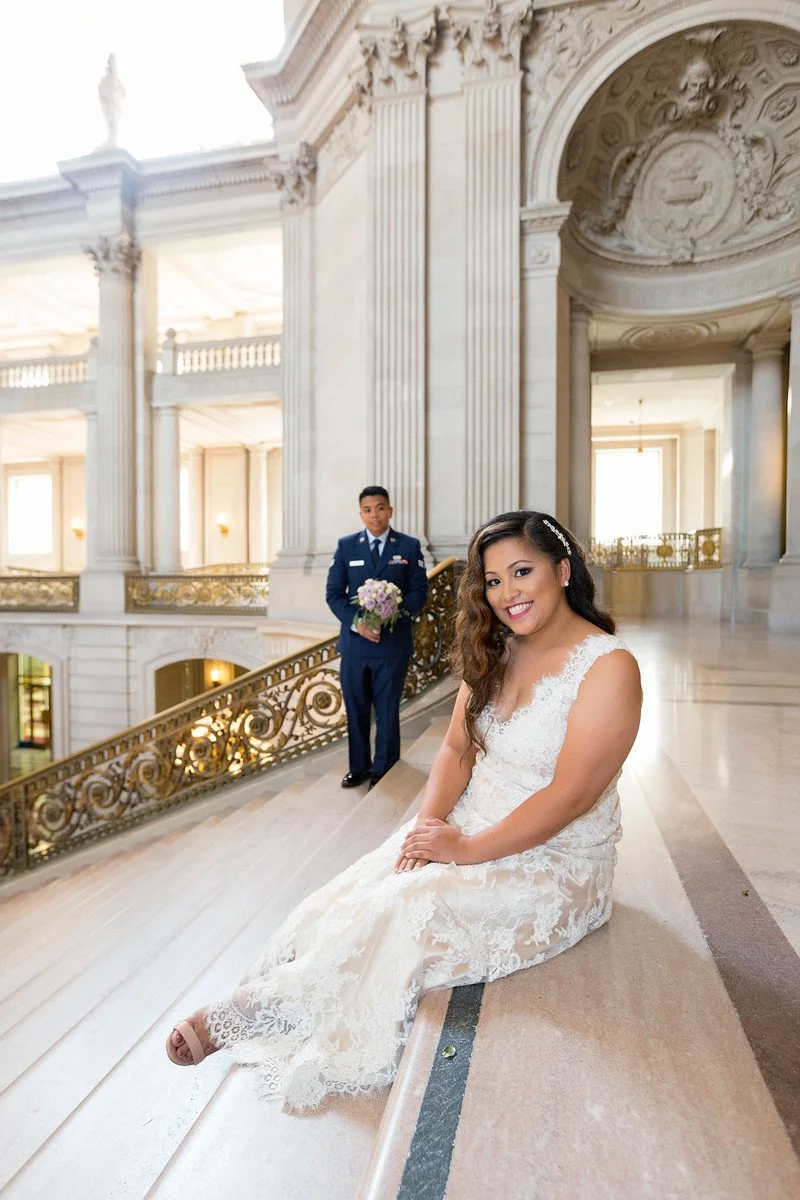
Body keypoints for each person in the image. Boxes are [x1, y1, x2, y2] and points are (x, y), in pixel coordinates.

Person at [166, 510, 642, 1113]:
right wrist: (428, 825)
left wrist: (464, 849)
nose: (506, 594)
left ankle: (254, 1011)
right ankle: (278, 992)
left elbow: (572, 795)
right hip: (466, 821)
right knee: (355, 889)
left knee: (409, 903)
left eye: (521, 572)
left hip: (555, 857)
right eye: (492, 582)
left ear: (563, 569)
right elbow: (455, 747)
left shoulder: (609, 668)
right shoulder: (494, 650)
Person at [324, 486, 429, 790]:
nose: (375, 514)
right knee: (356, 709)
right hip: (355, 646)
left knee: (386, 710)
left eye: (380, 508)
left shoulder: (408, 547)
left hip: (392, 645)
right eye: (368, 509)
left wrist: (392, 614)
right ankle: (359, 768)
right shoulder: (346, 547)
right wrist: (358, 623)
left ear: (390, 511)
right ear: (361, 514)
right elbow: (333, 594)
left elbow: (419, 592)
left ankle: (385, 768)